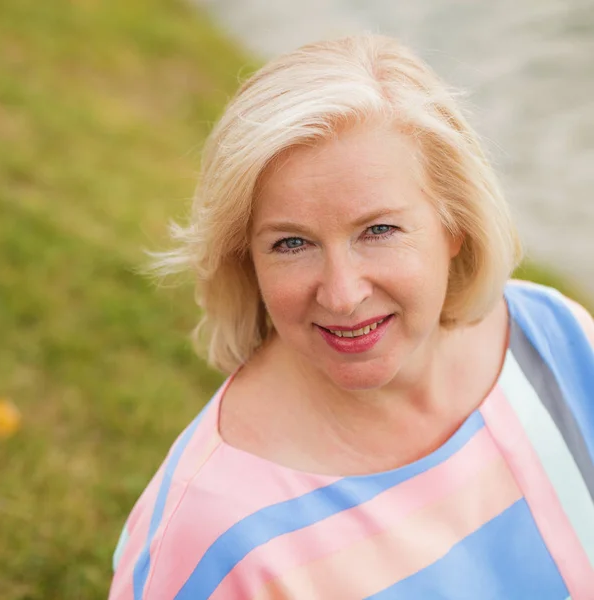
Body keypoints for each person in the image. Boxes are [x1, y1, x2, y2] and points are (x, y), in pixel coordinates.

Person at [109, 34, 594, 600]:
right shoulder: (212, 535)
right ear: (247, 260)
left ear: (454, 225)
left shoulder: (554, 338)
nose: (341, 295)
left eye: (379, 230)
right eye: (291, 243)